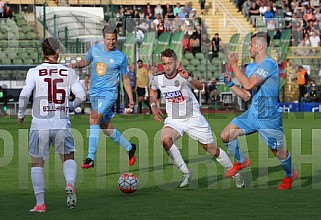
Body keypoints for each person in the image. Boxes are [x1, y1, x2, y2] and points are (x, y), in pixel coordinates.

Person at [149, 49, 245, 188]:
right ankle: (186, 173)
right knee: (165, 140)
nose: (167, 66)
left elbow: (200, 87)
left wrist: (188, 78)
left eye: (170, 63)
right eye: (164, 64)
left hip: (193, 118)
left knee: (213, 150)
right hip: (174, 120)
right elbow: (152, 89)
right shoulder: (158, 78)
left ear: (176, 62)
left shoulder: (183, 75)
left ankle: (235, 173)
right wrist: (153, 104)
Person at [17, 37, 86, 212]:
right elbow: (82, 96)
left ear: (42, 52)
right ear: (58, 52)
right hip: (61, 122)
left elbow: (25, 94)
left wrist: (20, 113)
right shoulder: (68, 72)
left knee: (37, 163)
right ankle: (70, 183)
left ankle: (40, 203)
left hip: (40, 124)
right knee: (68, 157)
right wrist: (70, 106)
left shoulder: (34, 71)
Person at [222, 32, 298, 190]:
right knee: (226, 135)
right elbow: (246, 95)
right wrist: (230, 85)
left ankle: (290, 175)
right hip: (252, 113)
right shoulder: (250, 67)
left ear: (260, 46)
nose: (249, 48)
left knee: (279, 153)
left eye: (251, 45)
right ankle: (241, 161)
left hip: (268, 116)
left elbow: (249, 84)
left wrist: (234, 65)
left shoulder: (269, 64)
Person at [68, 25, 137, 169]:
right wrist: (75, 65)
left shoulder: (121, 57)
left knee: (93, 118)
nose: (111, 42)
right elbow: (85, 62)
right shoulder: (95, 50)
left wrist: (130, 97)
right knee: (106, 127)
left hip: (109, 94)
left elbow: (125, 78)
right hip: (94, 93)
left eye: (114, 39)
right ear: (103, 38)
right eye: (108, 39)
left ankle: (90, 157)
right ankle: (130, 147)